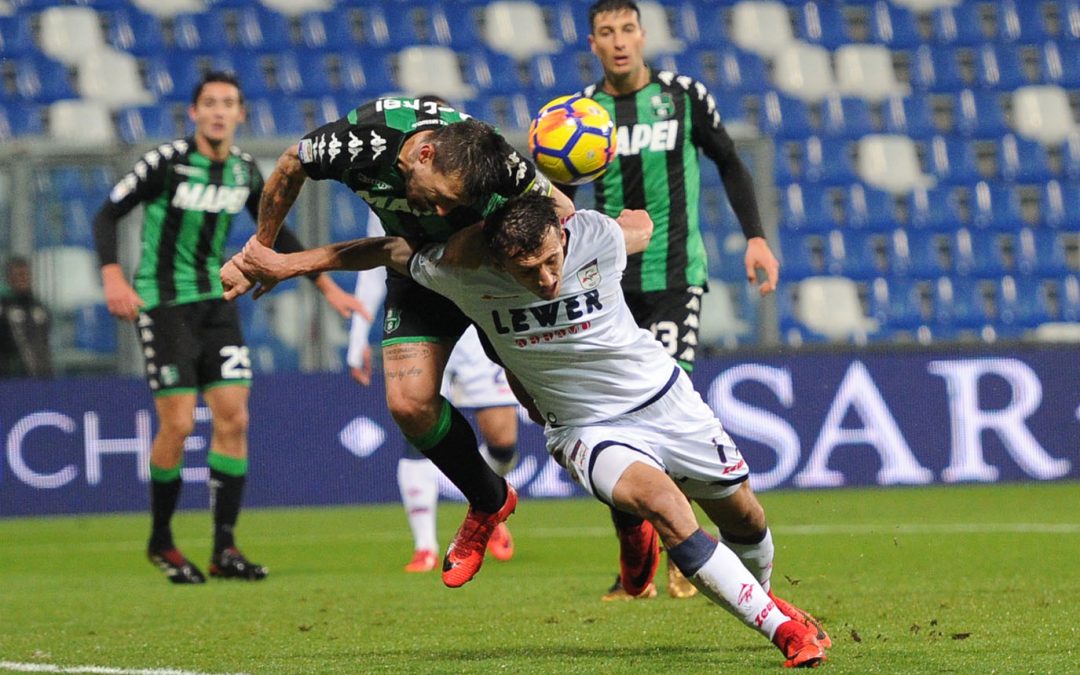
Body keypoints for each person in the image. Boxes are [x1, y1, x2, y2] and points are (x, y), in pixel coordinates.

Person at [222, 194, 832, 669]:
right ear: (496, 259)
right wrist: (285, 262)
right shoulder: (462, 272)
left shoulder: (592, 236)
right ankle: (782, 630)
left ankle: (764, 595)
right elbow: (385, 250)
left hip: (668, 403)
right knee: (663, 504)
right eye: (526, 269)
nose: (544, 279)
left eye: (550, 261)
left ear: (563, 237)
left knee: (746, 518)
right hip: (586, 429)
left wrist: (620, 208)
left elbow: (640, 225)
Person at [221, 97, 573, 588]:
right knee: (409, 405)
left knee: (538, 408)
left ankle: (628, 510)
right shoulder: (358, 142)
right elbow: (289, 163)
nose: (445, 207)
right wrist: (260, 248)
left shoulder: (491, 156)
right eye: (443, 196)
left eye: (457, 201)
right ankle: (489, 500)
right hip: (419, 272)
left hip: (492, 272)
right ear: (423, 155)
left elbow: (563, 210)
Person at [91, 71, 362, 584]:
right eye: (209, 103)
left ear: (241, 115)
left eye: (228, 103)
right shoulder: (165, 163)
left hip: (216, 304)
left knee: (234, 419)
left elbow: (276, 232)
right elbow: (107, 216)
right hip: (164, 304)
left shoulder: (241, 171)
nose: (219, 111)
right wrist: (112, 278)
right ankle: (162, 541)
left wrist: (326, 288)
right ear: (193, 113)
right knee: (178, 424)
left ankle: (224, 547)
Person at [573, 0, 782, 601]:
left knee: (663, 410)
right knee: (613, 421)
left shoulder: (684, 95)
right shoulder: (585, 115)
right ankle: (634, 559)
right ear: (593, 43)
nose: (619, 41)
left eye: (628, 29)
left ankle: (680, 549)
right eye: (606, 32)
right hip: (606, 287)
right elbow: (561, 197)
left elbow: (730, 162)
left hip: (674, 281)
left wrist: (756, 239)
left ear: (642, 35)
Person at [347, 211, 518, 573]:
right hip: (419, 319)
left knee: (504, 441)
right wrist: (357, 334)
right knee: (417, 424)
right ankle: (425, 545)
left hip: (475, 321)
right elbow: (376, 263)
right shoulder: (384, 189)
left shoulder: (470, 175)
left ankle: (488, 505)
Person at [0, 256, 53, 378]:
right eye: (18, 275)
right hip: (9, 377)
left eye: (25, 274)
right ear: (9, 279)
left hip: (40, 376)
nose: (22, 279)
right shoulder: (3, 308)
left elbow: (44, 343)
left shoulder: (39, 308)